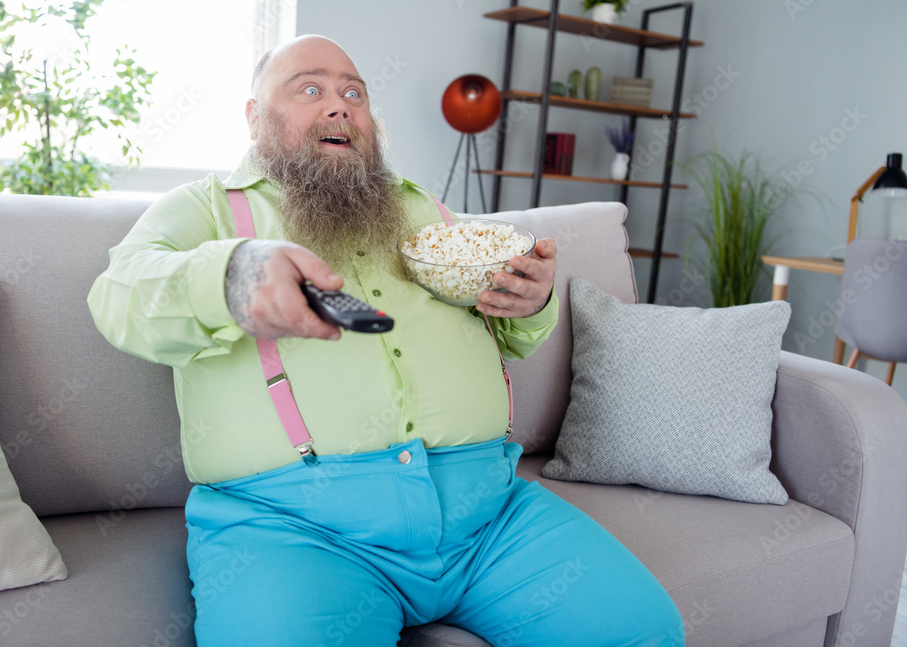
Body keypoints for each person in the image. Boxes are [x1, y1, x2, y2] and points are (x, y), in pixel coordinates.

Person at [88, 34, 684, 646]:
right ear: (253, 116)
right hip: (294, 529)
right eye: (311, 89)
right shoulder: (206, 209)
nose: (339, 105)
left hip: (491, 516)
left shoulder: (431, 213)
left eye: (355, 93)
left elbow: (510, 334)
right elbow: (118, 297)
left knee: (645, 633)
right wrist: (232, 276)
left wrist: (529, 302)